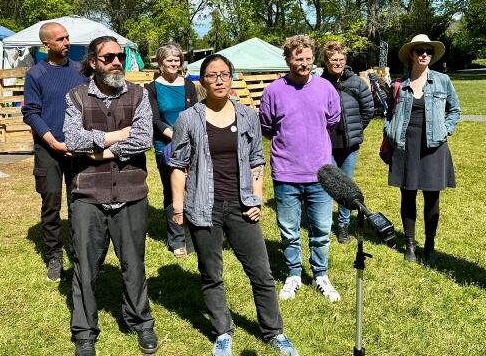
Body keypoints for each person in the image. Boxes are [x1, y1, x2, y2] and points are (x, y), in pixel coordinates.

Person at [168, 54, 299, 356]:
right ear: (202, 81)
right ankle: (222, 331)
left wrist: (256, 197)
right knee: (211, 274)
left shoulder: (246, 115)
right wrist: (178, 207)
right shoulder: (188, 119)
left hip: (242, 205)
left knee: (262, 274)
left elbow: (256, 158)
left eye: (224, 74)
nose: (218, 80)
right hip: (203, 207)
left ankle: (274, 331)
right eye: (212, 75)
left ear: (231, 78)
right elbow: (177, 165)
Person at [63, 36, 158, 356]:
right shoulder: (75, 97)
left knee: (134, 264)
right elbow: (73, 141)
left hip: (131, 194)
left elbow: (144, 138)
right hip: (89, 194)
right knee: (86, 268)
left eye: (121, 56)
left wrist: (98, 152)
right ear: (93, 62)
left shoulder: (139, 94)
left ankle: (140, 322)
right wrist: (118, 135)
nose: (117, 62)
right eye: (109, 58)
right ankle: (85, 332)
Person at [259, 34, 342, 303]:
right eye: (298, 58)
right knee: (289, 230)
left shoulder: (326, 89)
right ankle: (293, 274)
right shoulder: (273, 91)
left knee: (320, 229)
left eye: (308, 58)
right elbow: (268, 128)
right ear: (288, 59)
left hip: (320, 173)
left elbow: (331, 122)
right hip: (286, 172)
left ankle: (320, 274)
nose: (304, 63)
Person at [22, 22, 89, 282]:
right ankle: (54, 255)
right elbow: (31, 113)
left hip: (77, 148)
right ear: (46, 44)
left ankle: (79, 251)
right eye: (60, 39)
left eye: (67, 37)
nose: (66, 42)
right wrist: (52, 142)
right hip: (48, 149)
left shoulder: (81, 72)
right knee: (51, 203)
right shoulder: (36, 75)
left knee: (79, 202)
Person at [384, 34, 460, 263]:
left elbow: (455, 110)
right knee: (407, 195)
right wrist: (390, 132)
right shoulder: (400, 84)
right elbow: (389, 113)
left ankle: (429, 244)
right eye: (420, 51)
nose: (425, 54)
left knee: (432, 197)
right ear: (411, 55)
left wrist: (446, 129)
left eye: (428, 50)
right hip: (406, 146)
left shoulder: (442, 80)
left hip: (434, 145)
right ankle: (409, 245)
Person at [145, 42, 198, 258]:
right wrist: (176, 138)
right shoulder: (151, 89)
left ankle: (195, 234)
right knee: (172, 191)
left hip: (191, 144)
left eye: (177, 59)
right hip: (165, 146)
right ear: (160, 63)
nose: (174, 63)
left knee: (194, 189)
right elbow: (155, 120)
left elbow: (196, 113)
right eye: (169, 60)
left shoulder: (188, 86)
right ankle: (176, 239)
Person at [319, 41, 374, 244]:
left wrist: (356, 129)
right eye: (334, 60)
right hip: (328, 145)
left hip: (349, 145)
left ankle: (343, 225)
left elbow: (368, 109)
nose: (338, 63)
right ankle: (323, 223)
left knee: (346, 187)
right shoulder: (319, 83)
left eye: (341, 59)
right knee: (326, 185)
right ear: (326, 61)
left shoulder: (357, 82)